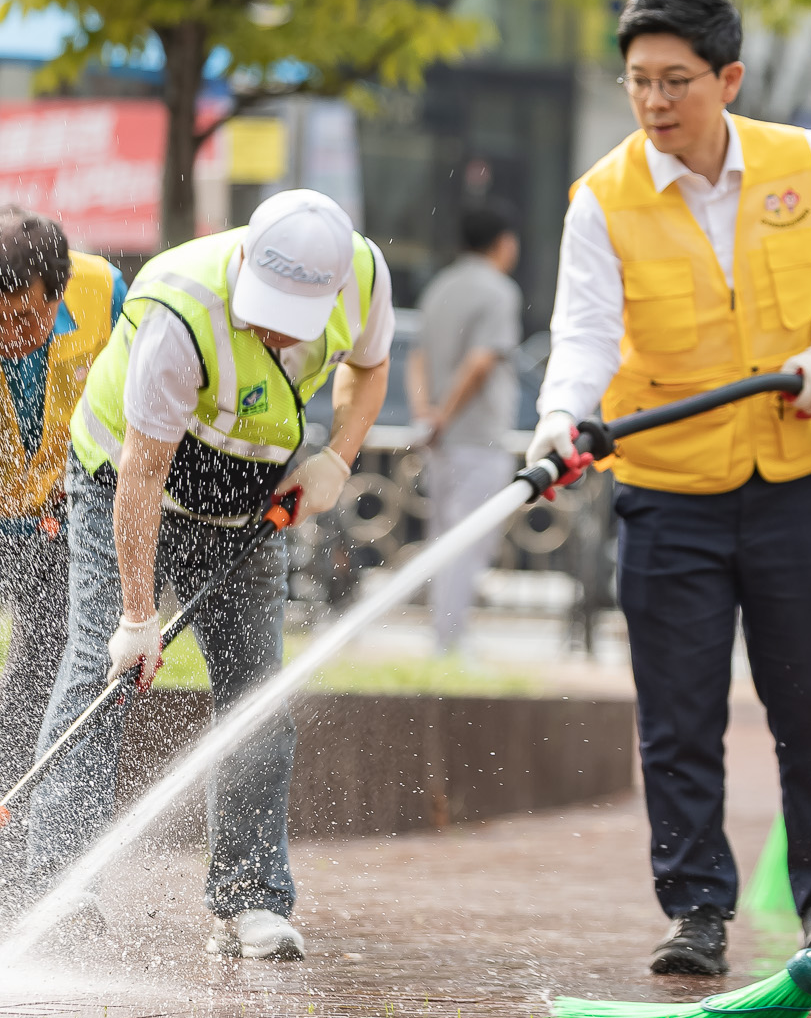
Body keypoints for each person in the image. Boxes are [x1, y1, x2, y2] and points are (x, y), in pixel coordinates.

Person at [529, 0, 811, 980]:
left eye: (676, 79)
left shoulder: (800, 161)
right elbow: (587, 327)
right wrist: (561, 418)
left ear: (727, 77)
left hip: (793, 475)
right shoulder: (603, 196)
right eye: (638, 80)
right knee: (678, 712)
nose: (655, 100)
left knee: (805, 700)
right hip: (668, 487)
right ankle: (695, 910)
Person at [38, 190, 388, 959]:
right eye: (266, 305)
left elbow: (370, 363)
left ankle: (250, 897)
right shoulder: (181, 306)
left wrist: (337, 457)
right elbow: (142, 467)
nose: (273, 326)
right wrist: (137, 617)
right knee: (101, 663)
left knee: (255, 691)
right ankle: (61, 878)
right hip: (122, 480)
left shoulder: (363, 276)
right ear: (242, 262)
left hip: (245, 490)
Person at [0, 209, 122, 885]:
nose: (11, 337)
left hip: (60, 518)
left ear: (56, 291)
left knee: (40, 678)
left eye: (25, 318)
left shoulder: (106, 292)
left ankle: (23, 862)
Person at [408, 200, 524, 655]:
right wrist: (447, 413)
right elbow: (480, 364)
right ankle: (450, 642)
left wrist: (428, 414)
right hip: (477, 436)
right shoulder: (499, 292)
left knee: (444, 537)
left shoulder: (441, 286)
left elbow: (417, 357)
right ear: (502, 243)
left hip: (440, 439)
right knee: (469, 541)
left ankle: (444, 634)